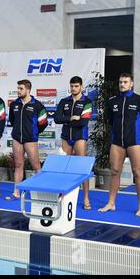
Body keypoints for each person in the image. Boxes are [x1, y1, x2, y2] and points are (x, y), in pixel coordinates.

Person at [99, 73, 140, 217]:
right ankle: (111, 203)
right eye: (121, 82)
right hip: (117, 142)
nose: (122, 84)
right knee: (115, 171)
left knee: (138, 172)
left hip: (135, 142)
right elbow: (109, 120)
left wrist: (139, 139)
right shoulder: (112, 101)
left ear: (131, 84)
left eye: (125, 82)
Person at [54, 76, 93, 210]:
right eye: (72, 86)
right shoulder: (64, 101)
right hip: (66, 136)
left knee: (82, 168)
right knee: (65, 168)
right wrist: (71, 118)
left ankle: (86, 197)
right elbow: (56, 119)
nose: (73, 88)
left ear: (81, 87)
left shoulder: (87, 102)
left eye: (76, 86)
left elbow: (83, 122)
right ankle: (64, 196)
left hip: (79, 137)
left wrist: (68, 120)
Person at [6, 80, 48, 200]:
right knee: (18, 165)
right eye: (18, 88)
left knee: (36, 166)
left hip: (30, 139)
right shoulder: (14, 104)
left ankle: (41, 193)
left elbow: (43, 123)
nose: (18, 91)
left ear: (28, 90)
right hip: (17, 138)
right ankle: (16, 192)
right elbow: (13, 121)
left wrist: (33, 132)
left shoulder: (37, 105)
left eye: (21, 89)